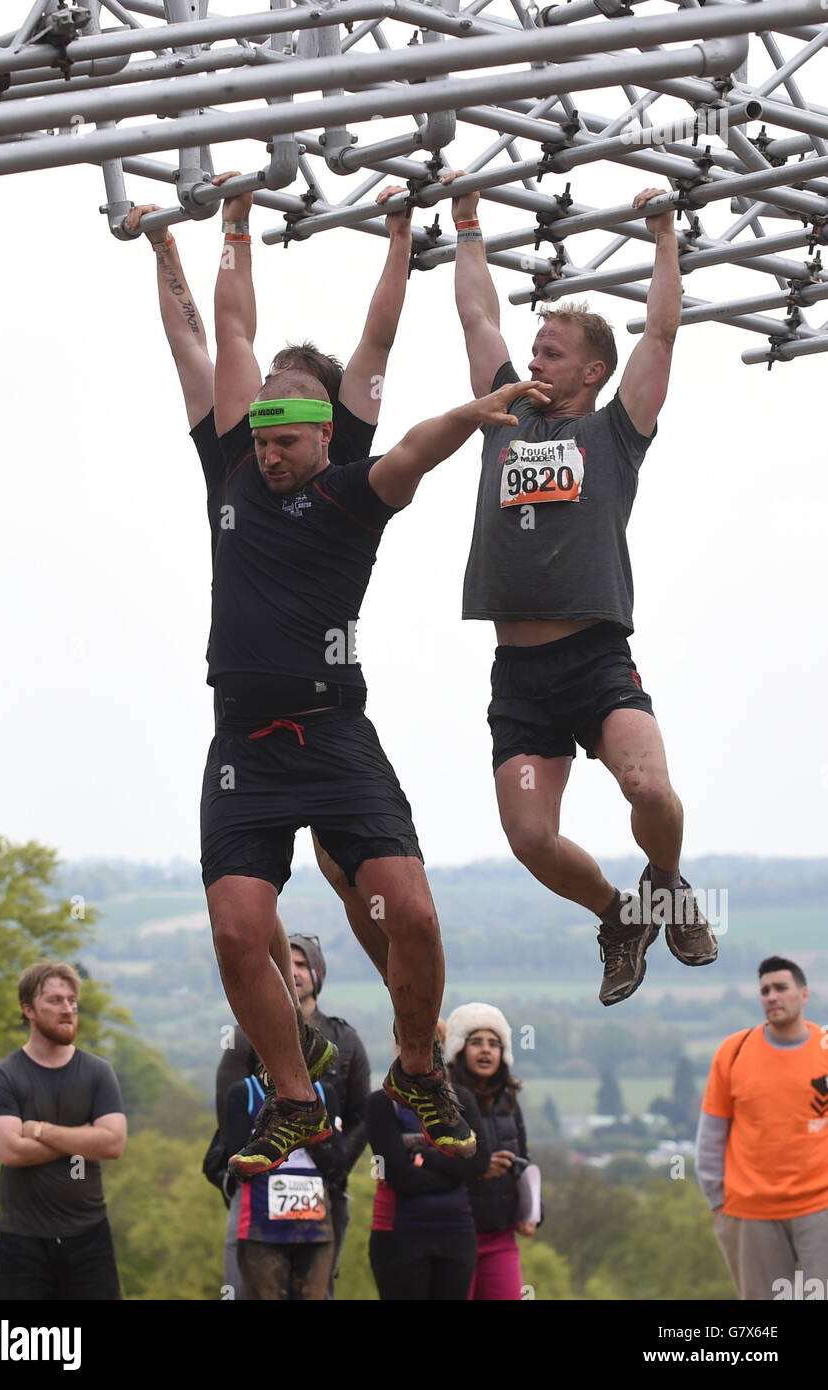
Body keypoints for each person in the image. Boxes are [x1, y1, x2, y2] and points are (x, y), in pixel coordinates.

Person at [202, 356, 539, 1175]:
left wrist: (476, 409)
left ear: (322, 435)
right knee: (237, 930)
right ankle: (293, 1099)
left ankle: (419, 1069)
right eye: (262, 443)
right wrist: (231, 226)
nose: (269, 457)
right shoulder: (237, 476)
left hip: (337, 735)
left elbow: (416, 447)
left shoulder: (350, 493)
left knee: (412, 917)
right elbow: (227, 332)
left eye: (284, 443)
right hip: (245, 745)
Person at [124, 176, 409, 1052]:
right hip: (251, 717)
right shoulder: (240, 456)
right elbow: (205, 341)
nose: (268, 417)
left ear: (324, 421)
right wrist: (181, 242)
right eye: (265, 406)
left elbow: (375, 340)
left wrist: (400, 236)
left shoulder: (347, 455)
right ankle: (309, 1049)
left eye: (291, 403)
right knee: (288, 884)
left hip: (325, 706)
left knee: (355, 875)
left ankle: (408, 1021)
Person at [443, 170, 719, 1007]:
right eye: (532, 354)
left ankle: (666, 879)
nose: (532, 364)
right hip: (519, 676)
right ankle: (620, 915)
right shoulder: (504, 415)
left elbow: (662, 335)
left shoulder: (615, 430)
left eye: (551, 355)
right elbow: (476, 314)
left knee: (650, 789)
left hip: (596, 658)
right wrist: (466, 221)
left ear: (592, 370)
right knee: (530, 837)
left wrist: (665, 237)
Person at [214, 932, 371, 1295]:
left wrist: (336, 1165)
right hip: (257, 1186)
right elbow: (228, 1106)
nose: (294, 972)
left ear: (317, 975)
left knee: (318, 1291)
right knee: (245, 1288)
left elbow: (362, 1115)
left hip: (325, 1187)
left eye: (302, 965)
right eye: (287, 964)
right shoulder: (245, 1035)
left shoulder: (346, 1040)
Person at [0, 961, 127, 1300]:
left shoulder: (98, 1072)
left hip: (90, 1239)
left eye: (72, 1001)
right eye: (56, 1001)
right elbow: (10, 1152)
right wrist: (84, 1137)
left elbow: (114, 1143)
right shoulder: (3, 1076)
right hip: (21, 1243)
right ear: (28, 1010)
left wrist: (40, 1130)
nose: (68, 1009)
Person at [696, 956, 828, 1301]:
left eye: (781, 988)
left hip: (820, 1206)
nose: (772, 996)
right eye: (765, 990)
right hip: (750, 1211)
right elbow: (711, 1135)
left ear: (804, 994)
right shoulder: (734, 1052)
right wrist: (718, 1204)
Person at [367, 1020, 487, 1300]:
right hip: (399, 1234)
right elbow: (398, 1175)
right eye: (409, 1043)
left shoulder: (463, 1100)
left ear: (441, 1049)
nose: (420, 1051)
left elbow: (478, 1165)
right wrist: (452, 1166)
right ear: (397, 1046)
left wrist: (423, 1157)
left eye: (431, 1044)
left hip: (456, 1233)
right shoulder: (382, 1104)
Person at [224, 1062, 346, 1300]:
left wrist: (304, 1126)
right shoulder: (244, 1093)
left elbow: (337, 1165)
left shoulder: (325, 1093)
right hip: (261, 1230)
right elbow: (239, 1167)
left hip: (315, 1231)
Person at [445, 1003, 536, 1301]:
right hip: (455, 1233)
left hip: (501, 1235)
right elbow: (434, 1164)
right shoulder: (445, 1102)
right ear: (459, 1049)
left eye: (494, 1044)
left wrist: (535, 1212)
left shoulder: (509, 1101)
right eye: (476, 1042)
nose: (486, 1051)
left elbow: (524, 1163)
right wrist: (479, 1169)